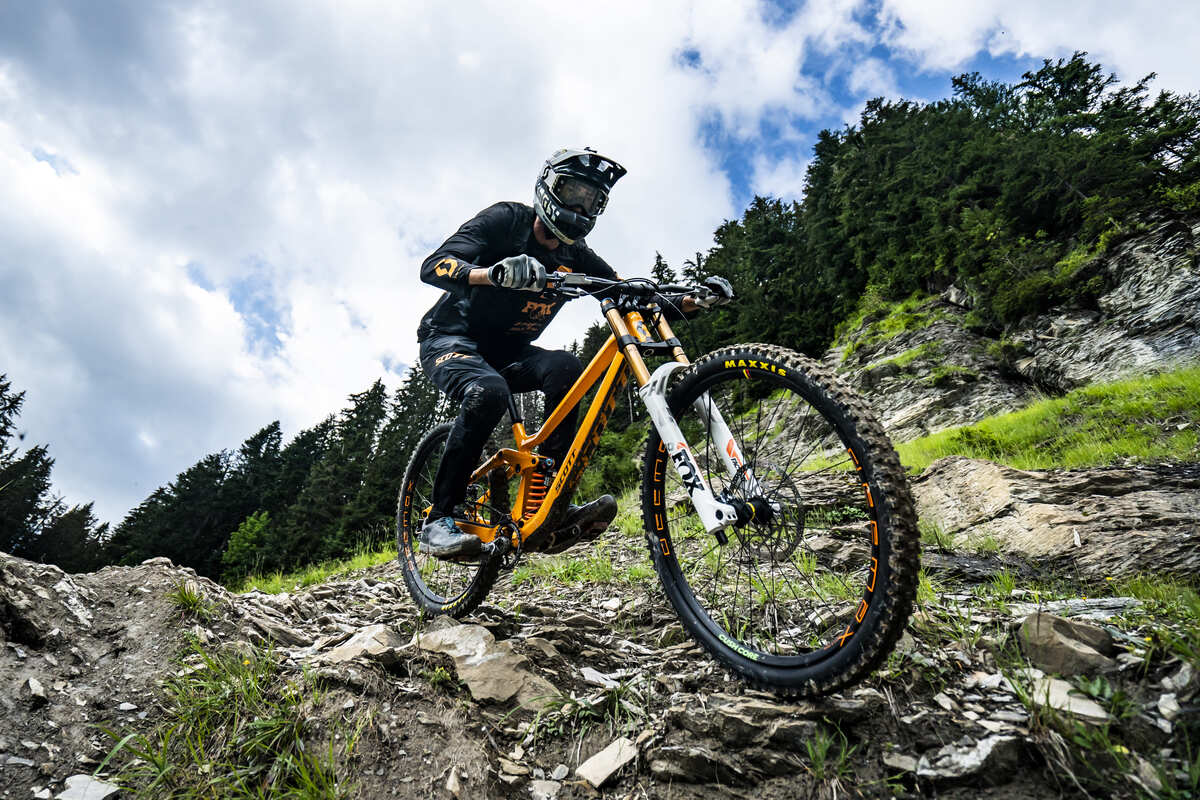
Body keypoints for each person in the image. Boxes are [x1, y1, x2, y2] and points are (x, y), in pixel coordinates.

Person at [415, 147, 630, 559]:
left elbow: (621, 288)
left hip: (509, 351)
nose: (579, 207)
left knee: (566, 367)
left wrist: (688, 299)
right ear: (550, 187)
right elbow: (434, 265)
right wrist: (491, 275)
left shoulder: (575, 255)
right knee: (489, 391)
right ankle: (438, 519)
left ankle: (551, 506)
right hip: (450, 339)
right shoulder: (505, 221)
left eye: (591, 201)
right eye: (573, 193)